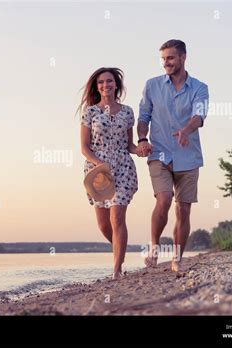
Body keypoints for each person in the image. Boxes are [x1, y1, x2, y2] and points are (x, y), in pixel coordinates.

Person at [137, 39, 209, 272]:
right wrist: (142, 139)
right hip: (159, 153)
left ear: (183, 57)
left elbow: (199, 115)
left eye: (170, 58)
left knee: (183, 209)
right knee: (164, 198)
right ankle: (154, 246)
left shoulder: (200, 88)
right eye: (163, 59)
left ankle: (177, 258)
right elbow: (143, 117)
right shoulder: (152, 85)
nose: (166, 63)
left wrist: (186, 130)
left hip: (188, 155)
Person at [79, 67, 140, 279]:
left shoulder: (127, 112)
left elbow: (129, 144)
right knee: (104, 224)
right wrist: (100, 165)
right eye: (101, 82)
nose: (106, 85)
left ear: (116, 84)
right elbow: (84, 147)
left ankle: (116, 270)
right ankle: (120, 250)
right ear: (97, 87)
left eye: (110, 81)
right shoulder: (90, 112)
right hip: (98, 172)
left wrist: (140, 149)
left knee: (117, 217)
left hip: (123, 168)